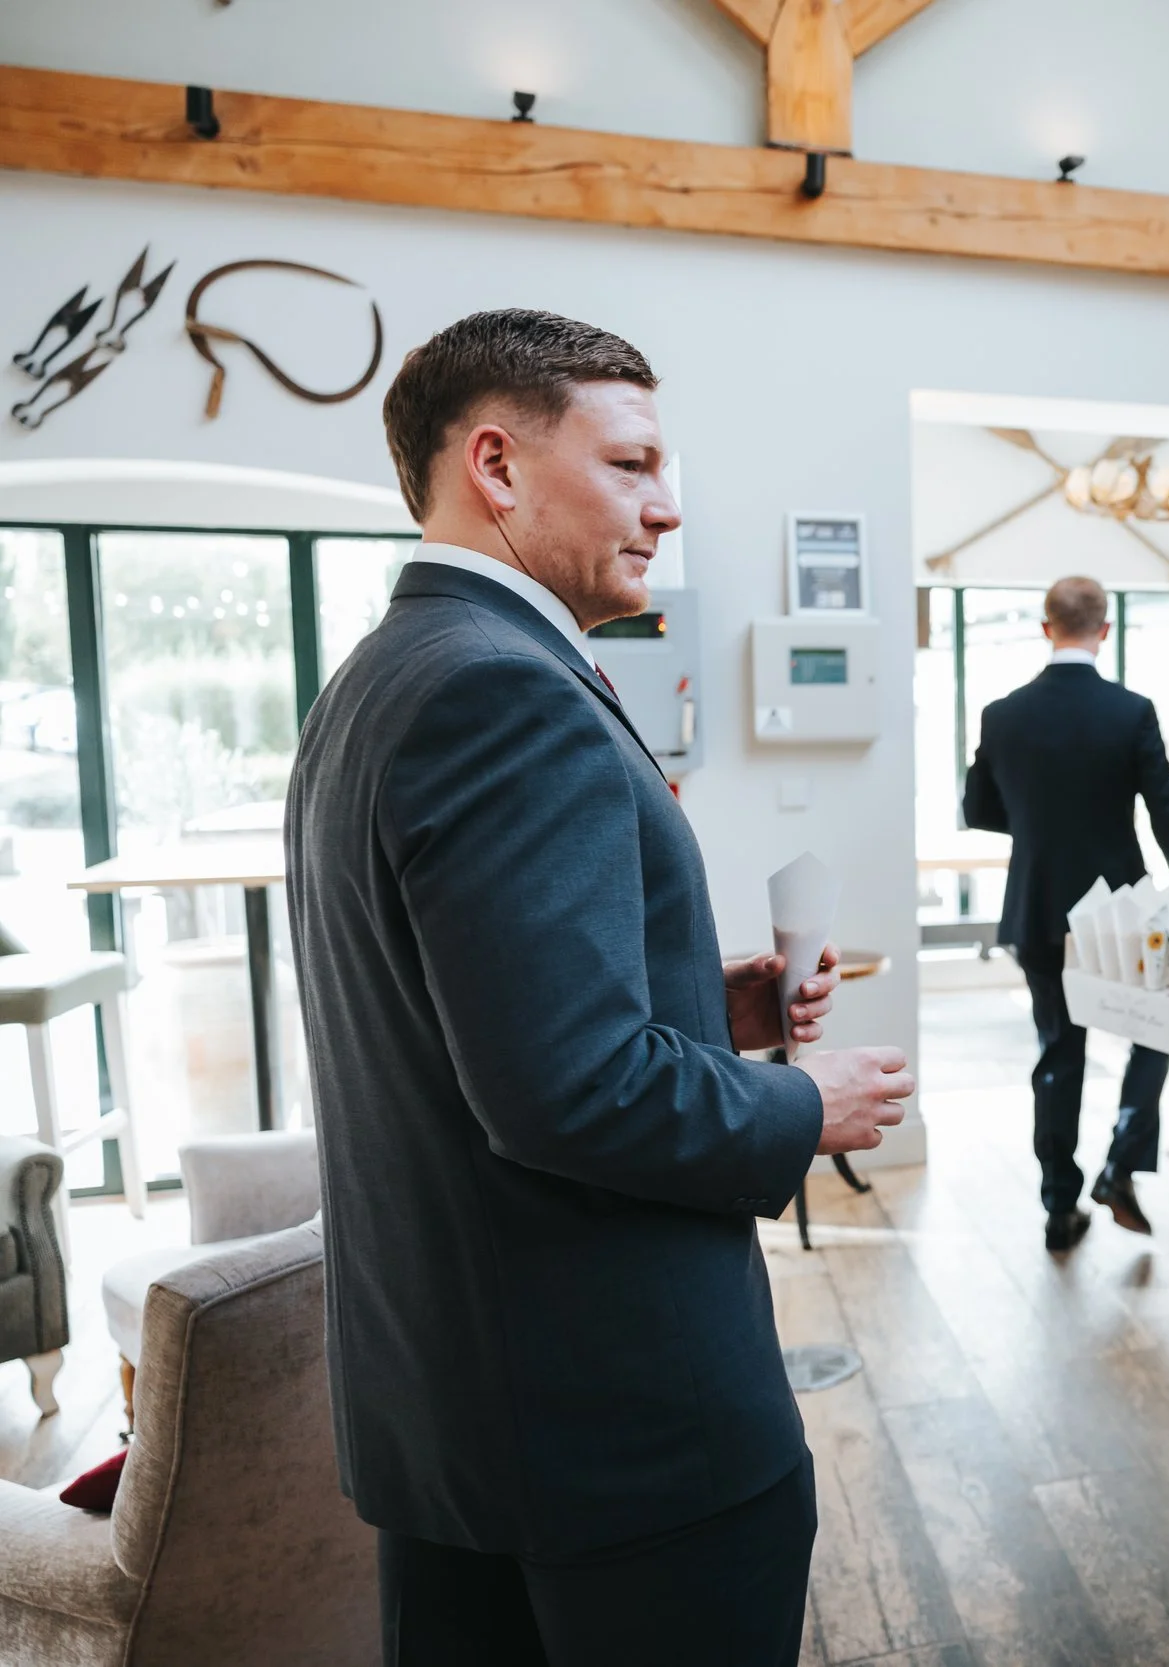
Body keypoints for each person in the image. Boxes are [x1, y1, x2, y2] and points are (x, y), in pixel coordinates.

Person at [287, 309, 917, 1666]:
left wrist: (713, 997)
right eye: (632, 465)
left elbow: (462, 1013)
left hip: (458, 1418)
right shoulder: (505, 693)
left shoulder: (385, 677)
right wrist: (798, 1102)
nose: (669, 507)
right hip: (610, 1430)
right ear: (498, 465)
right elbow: (570, 1090)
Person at [962, 577, 1169, 1250]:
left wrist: (1040, 826)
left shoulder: (1002, 713)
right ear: (1104, 630)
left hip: (1038, 907)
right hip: (1120, 912)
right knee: (1157, 1028)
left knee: (1058, 1055)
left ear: (1045, 628)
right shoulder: (1129, 711)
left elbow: (979, 808)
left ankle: (1059, 1206)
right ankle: (1121, 1165)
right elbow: (1167, 812)